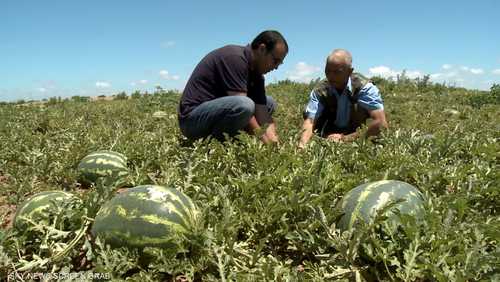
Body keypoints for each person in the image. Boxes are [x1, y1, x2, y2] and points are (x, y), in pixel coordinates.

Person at [178, 30, 288, 144]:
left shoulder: (257, 74)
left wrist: (274, 142)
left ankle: (230, 138)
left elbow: (263, 113)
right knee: (244, 105)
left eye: (279, 63)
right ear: (262, 49)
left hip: (214, 114)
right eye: (275, 61)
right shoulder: (235, 58)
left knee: (268, 103)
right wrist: (264, 141)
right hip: (192, 121)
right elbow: (245, 111)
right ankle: (217, 143)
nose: (276, 67)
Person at [299, 49, 387, 148]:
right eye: (327, 71)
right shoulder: (320, 90)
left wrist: (345, 138)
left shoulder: (365, 88)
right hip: (326, 137)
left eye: (337, 72)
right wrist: (301, 146)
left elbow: (380, 123)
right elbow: (310, 121)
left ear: (350, 71)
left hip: (356, 137)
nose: (330, 76)